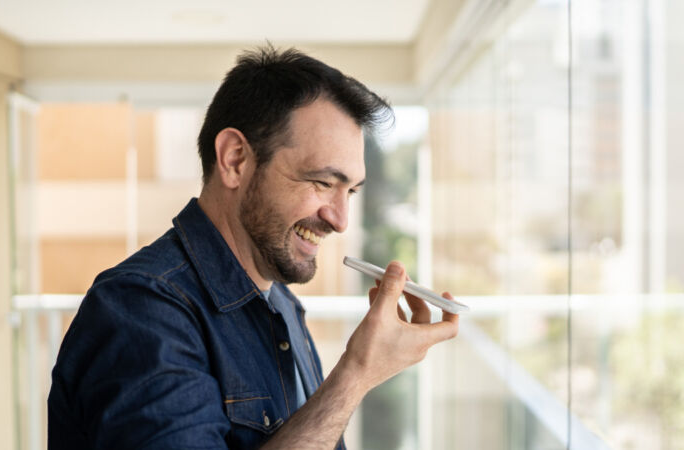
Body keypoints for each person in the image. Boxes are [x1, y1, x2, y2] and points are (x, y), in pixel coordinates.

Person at [47, 46, 459, 449]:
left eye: (349, 190)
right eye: (322, 182)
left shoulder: (280, 301)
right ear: (235, 159)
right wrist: (356, 375)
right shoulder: (141, 310)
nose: (339, 218)